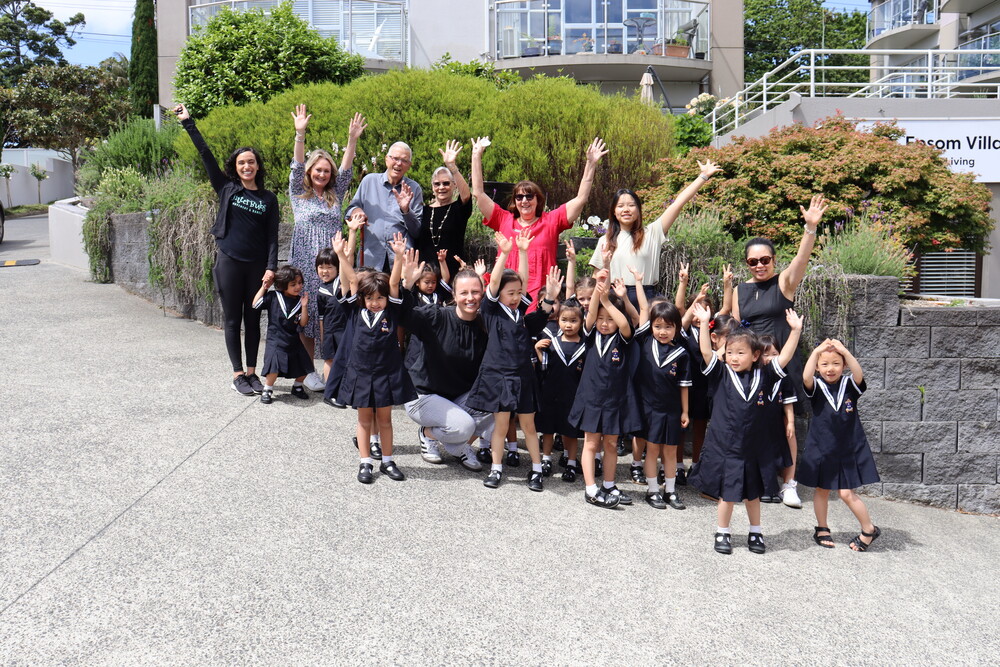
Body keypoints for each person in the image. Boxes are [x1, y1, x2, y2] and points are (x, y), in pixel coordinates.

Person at [175, 103, 279, 396]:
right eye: (241, 163)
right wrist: (188, 122)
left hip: (257, 266)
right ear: (235, 167)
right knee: (233, 320)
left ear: (258, 166)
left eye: (251, 162)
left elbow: (272, 236)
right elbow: (205, 154)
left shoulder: (269, 199)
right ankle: (237, 375)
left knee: (254, 320)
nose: (247, 167)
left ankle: (252, 373)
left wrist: (271, 268)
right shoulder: (227, 189)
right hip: (229, 263)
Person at [688, 303, 803, 555]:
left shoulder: (765, 375)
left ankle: (755, 532)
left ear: (755, 355)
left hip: (754, 450)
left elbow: (784, 358)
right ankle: (722, 531)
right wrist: (705, 324)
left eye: (741, 353)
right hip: (727, 449)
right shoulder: (721, 374)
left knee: (753, 495)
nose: (734, 357)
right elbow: (706, 352)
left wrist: (795, 331)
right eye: (730, 352)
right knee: (727, 495)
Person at [470, 135, 607, 308]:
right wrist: (476, 157)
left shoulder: (551, 221)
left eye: (529, 196)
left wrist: (591, 164)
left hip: (542, 298)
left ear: (538, 199)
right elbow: (478, 194)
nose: (524, 201)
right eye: (519, 197)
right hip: (506, 298)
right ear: (514, 201)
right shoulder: (503, 219)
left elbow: (581, 199)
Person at [288, 105, 366, 390]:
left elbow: (346, 170)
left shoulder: (335, 194)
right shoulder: (298, 192)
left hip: (332, 263)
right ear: (310, 171)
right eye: (318, 170)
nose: (322, 174)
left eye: (326, 171)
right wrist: (300, 134)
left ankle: (331, 369)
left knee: (333, 313)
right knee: (307, 312)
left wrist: (352, 139)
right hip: (305, 260)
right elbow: (296, 166)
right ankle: (307, 370)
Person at [467, 230, 545, 492]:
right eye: (510, 293)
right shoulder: (490, 310)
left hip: (523, 375)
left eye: (518, 293)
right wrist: (505, 253)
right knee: (500, 427)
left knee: (529, 426)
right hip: (499, 377)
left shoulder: (519, 311)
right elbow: (495, 281)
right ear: (498, 293)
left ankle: (536, 470)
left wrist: (523, 252)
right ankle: (496, 469)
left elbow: (523, 279)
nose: (515, 297)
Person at [401, 250, 493, 471]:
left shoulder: (485, 325)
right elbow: (404, 316)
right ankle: (428, 433)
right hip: (422, 395)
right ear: (454, 293)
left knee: (499, 402)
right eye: (464, 292)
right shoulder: (437, 317)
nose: (470, 298)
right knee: (464, 425)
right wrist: (406, 285)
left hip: (456, 397)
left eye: (475, 292)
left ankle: (458, 446)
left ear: (483, 293)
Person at [335, 232, 415, 484]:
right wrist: (341, 255)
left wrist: (398, 257)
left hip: (386, 373)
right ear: (362, 298)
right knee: (363, 420)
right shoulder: (355, 311)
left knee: (385, 420)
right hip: (360, 373)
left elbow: (394, 283)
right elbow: (351, 279)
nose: (375, 302)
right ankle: (365, 462)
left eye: (380, 298)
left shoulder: (392, 311)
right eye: (370, 298)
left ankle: (388, 461)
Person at [732, 195, 829, 400]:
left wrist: (810, 228)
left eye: (765, 260)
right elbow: (737, 332)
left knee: (787, 414)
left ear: (773, 260)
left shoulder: (783, 282)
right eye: (753, 261)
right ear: (747, 264)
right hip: (753, 364)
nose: (759, 265)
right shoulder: (739, 290)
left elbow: (801, 260)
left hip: (783, 360)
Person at [589, 159, 721, 309]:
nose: (626, 210)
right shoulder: (605, 240)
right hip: (615, 299)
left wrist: (703, 176)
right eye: (620, 206)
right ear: (614, 211)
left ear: (638, 210)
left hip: (646, 298)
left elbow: (678, 204)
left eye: (631, 205)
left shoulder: (652, 232)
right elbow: (596, 279)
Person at [798, 339, 882, 551]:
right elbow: (806, 377)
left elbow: (858, 374)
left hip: (848, 448)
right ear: (817, 367)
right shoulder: (816, 386)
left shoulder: (849, 385)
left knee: (846, 493)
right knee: (822, 490)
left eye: (836, 363)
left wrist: (844, 351)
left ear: (844, 365)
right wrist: (816, 351)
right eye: (824, 364)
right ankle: (822, 528)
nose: (830, 368)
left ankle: (868, 529)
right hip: (822, 448)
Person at [568, 274, 641, 509]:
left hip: (615, 400)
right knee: (591, 443)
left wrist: (607, 302)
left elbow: (625, 325)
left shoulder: (622, 339)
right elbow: (590, 316)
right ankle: (591, 489)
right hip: (591, 398)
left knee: (610, 444)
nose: (604, 323)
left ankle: (609, 485)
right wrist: (599, 296)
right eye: (601, 318)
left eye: (609, 319)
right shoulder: (590, 336)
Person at [630, 274, 691, 510]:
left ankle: (671, 491)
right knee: (652, 449)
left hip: (671, 410)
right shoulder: (645, 341)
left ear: (677, 328)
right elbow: (644, 308)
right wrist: (638, 282)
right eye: (658, 326)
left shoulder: (682, 354)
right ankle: (653, 490)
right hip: (649, 408)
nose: (662, 331)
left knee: (671, 451)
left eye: (668, 327)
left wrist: (685, 411)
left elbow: (684, 385)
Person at [534, 276, 586, 482]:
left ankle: (571, 463)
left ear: (581, 322)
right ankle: (546, 459)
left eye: (574, 321)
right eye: (564, 320)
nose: (569, 325)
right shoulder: (552, 342)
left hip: (573, 397)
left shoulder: (585, 346)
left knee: (570, 433)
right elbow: (545, 367)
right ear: (558, 321)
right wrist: (538, 350)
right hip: (551, 394)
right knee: (548, 430)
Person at [345, 142, 424, 270]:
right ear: (386, 159)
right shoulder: (369, 181)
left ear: (409, 165)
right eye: (395, 158)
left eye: (404, 160)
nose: (399, 163)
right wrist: (357, 211)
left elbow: (417, 232)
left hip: (401, 261)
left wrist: (406, 210)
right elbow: (350, 210)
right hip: (371, 257)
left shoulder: (413, 189)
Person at [251, 265, 313, 404]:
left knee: (305, 367)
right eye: (293, 284)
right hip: (276, 341)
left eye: (300, 283)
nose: (298, 287)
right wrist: (264, 287)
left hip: (293, 340)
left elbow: (303, 323)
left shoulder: (299, 301)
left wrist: (304, 306)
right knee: (273, 368)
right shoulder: (274, 297)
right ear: (283, 285)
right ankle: (267, 389)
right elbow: (255, 305)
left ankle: (297, 387)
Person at [757, 334, 801, 508]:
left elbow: (788, 403)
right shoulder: (755, 374)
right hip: (758, 424)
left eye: (775, 354)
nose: (770, 358)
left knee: (777, 452)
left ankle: (786, 485)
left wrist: (790, 422)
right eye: (765, 354)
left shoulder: (784, 377)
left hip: (775, 423)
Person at [418, 140, 473, 279]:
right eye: (437, 184)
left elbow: (466, 195)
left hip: (453, 273)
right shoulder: (424, 211)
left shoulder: (458, 209)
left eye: (446, 183)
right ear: (432, 187)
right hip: (426, 277)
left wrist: (452, 167)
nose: (441, 187)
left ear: (454, 185)